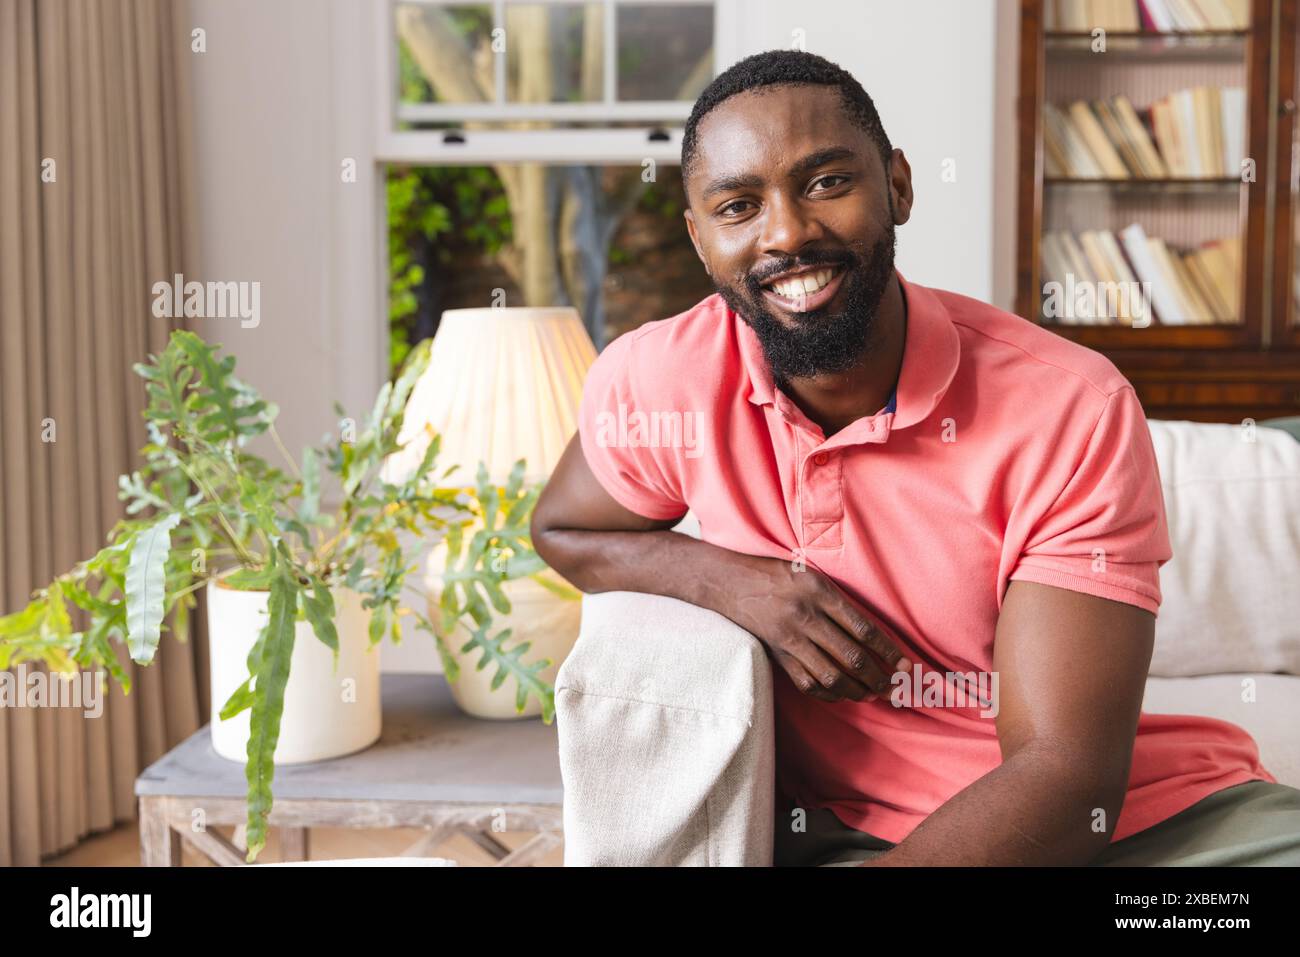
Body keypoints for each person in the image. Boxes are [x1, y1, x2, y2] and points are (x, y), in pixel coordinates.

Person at [531, 49, 1300, 866]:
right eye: (739, 205)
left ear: (898, 184)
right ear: (699, 237)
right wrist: (734, 582)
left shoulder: (1071, 407)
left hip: (1133, 830)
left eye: (827, 182)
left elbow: (1067, 775)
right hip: (834, 830)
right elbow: (565, 529)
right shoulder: (662, 379)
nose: (787, 232)